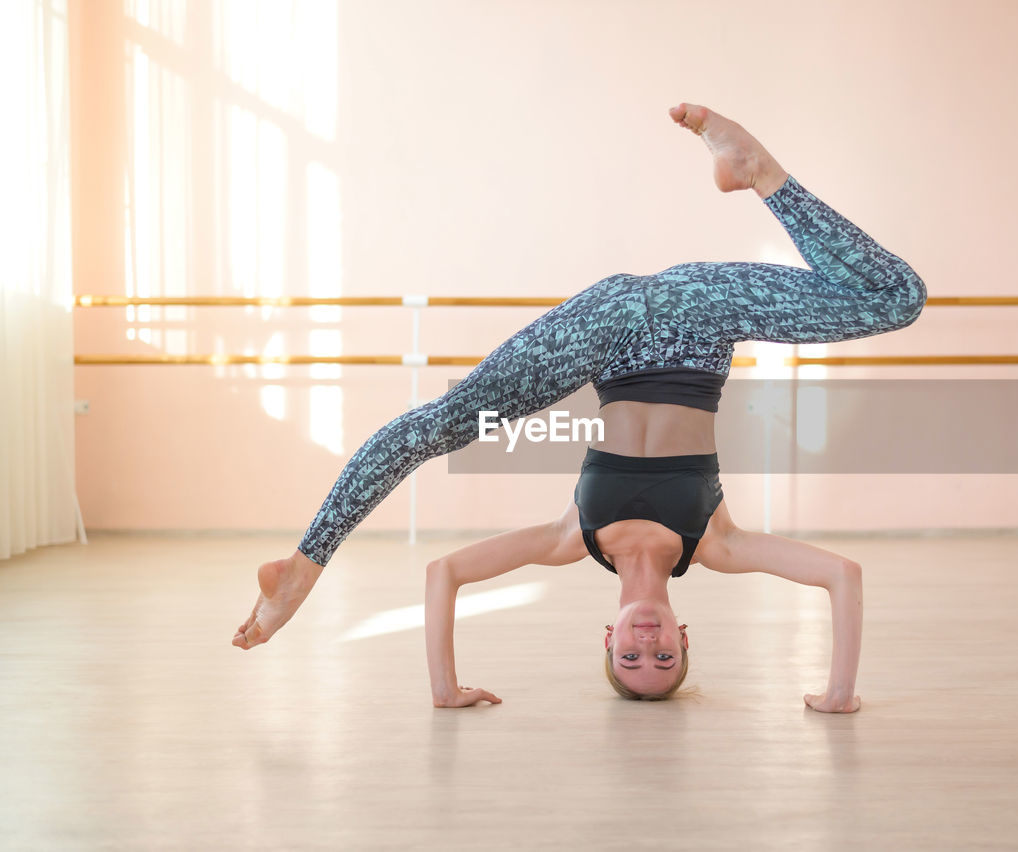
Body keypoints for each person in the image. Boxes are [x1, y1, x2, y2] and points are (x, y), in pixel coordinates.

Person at [232, 103, 926, 713]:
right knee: (896, 298)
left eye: (630, 659)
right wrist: (839, 692)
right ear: (685, 639)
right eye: (664, 659)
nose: (646, 647)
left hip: (606, 332)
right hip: (700, 314)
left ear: (610, 636)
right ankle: (758, 168)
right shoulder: (717, 544)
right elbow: (842, 575)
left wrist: (444, 690)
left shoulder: (573, 538)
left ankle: (302, 568)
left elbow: (444, 573)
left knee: (441, 425)